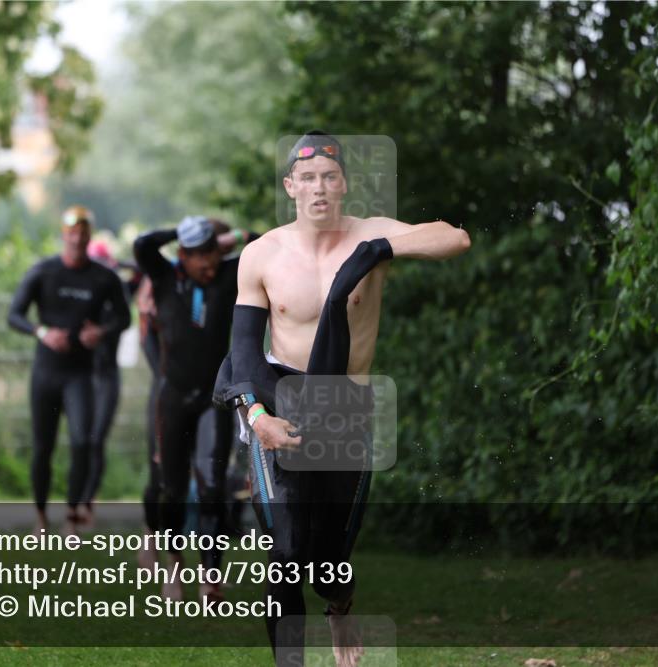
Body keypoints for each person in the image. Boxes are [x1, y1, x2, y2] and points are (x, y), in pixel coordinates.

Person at [214, 131, 471, 666]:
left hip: (347, 410)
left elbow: (455, 239)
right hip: (280, 408)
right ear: (291, 187)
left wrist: (376, 250)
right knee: (284, 554)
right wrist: (256, 415)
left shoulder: (370, 233)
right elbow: (241, 351)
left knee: (329, 558)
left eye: (329, 177)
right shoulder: (262, 253)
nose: (319, 188)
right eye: (307, 179)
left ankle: (340, 604)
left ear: (345, 184)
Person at [133, 215, 258, 601]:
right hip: (171, 399)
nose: (208, 264)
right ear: (182, 256)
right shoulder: (166, 278)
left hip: (213, 399)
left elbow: (263, 241)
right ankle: (174, 566)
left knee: (212, 487)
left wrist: (227, 237)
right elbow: (142, 244)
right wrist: (180, 230)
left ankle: (210, 576)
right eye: (198, 255)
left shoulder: (228, 275)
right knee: (170, 489)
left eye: (212, 254)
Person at [8, 206, 131, 534]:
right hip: (46, 373)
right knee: (43, 446)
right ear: (64, 235)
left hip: (81, 374)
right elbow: (14, 314)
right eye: (71, 233)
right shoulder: (44, 272)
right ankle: (40, 515)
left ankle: (74, 513)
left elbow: (124, 318)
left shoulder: (103, 278)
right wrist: (41, 332)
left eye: (83, 233)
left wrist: (101, 332)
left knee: (81, 443)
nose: (77, 239)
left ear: (89, 237)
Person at [78, 239, 140, 525]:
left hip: (107, 377)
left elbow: (143, 271)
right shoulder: (81, 296)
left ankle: (87, 502)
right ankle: (78, 500)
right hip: (80, 376)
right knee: (81, 440)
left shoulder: (120, 293)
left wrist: (117, 265)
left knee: (96, 439)